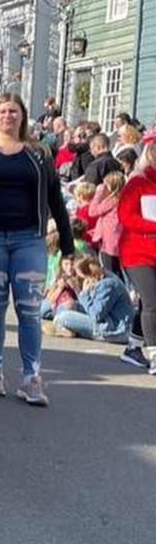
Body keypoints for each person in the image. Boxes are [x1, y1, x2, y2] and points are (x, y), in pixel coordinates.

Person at [0, 94, 74, 407]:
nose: (8, 116)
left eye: (14, 111)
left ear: (23, 117)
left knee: (29, 309)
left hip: (29, 239)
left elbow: (55, 200)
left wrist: (67, 245)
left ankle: (31, 377)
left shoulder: (38, 154)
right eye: (2, 111)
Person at [118, 141, 156, 373]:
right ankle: (154, 354)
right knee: (153, 302)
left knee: (146, 303)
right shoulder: (137, 183)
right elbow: (126, 217)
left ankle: (133, 346)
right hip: (137, 252)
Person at [51, 256, 133, 342]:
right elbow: (91, 306)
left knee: (64, 317)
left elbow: (96, 315)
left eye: (82, 277)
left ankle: (62, 326)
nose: (81, 280)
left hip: (113, 329)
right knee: (69, 305)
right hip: (106, 319)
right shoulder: (102, 278)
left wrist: (84, 294)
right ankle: (64, 327)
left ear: (88, 275)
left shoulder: (108, 285)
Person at [89, 172, 125, 276]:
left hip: (110, 243)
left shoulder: (113, 200)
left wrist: (99, 192)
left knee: (111, 271)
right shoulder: (121, 198)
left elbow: (92, 211)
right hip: (115, 240)